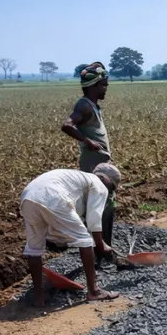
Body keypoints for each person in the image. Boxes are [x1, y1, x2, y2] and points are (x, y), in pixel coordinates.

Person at [20, 165, 121, 307]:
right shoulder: (99, 184)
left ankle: (39, 297)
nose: (110, 191)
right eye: (112, 187)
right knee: (86, 241)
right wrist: (101, 245)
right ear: (106, 180)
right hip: (53, 196)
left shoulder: (78, 179)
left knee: (34, 248)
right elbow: (94, 221)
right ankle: (94, 292)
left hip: (28, 197)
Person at [61, 61, 116, 262]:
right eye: (103, 85)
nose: (106, 88)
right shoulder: (84, 106)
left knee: (106, 205)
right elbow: (66, 125)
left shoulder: (93, 106)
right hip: (92, 167)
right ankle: (99, 251)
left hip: (100, 164)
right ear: (93, 86)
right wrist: (86, 141)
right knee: (99, 206)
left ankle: (102, 249)